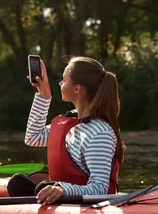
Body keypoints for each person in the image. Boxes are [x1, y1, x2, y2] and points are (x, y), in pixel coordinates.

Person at [7, 56, 124, 204]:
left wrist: (64, 189)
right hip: (63, 199)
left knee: (43, 187)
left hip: (86, 206)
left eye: (64, 79)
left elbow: (100, 188)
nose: (60, 83)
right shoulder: (69, 122)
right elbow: (33, 137)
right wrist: (44, 96)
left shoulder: (99, 133)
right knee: (17, 183)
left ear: (77, 88)